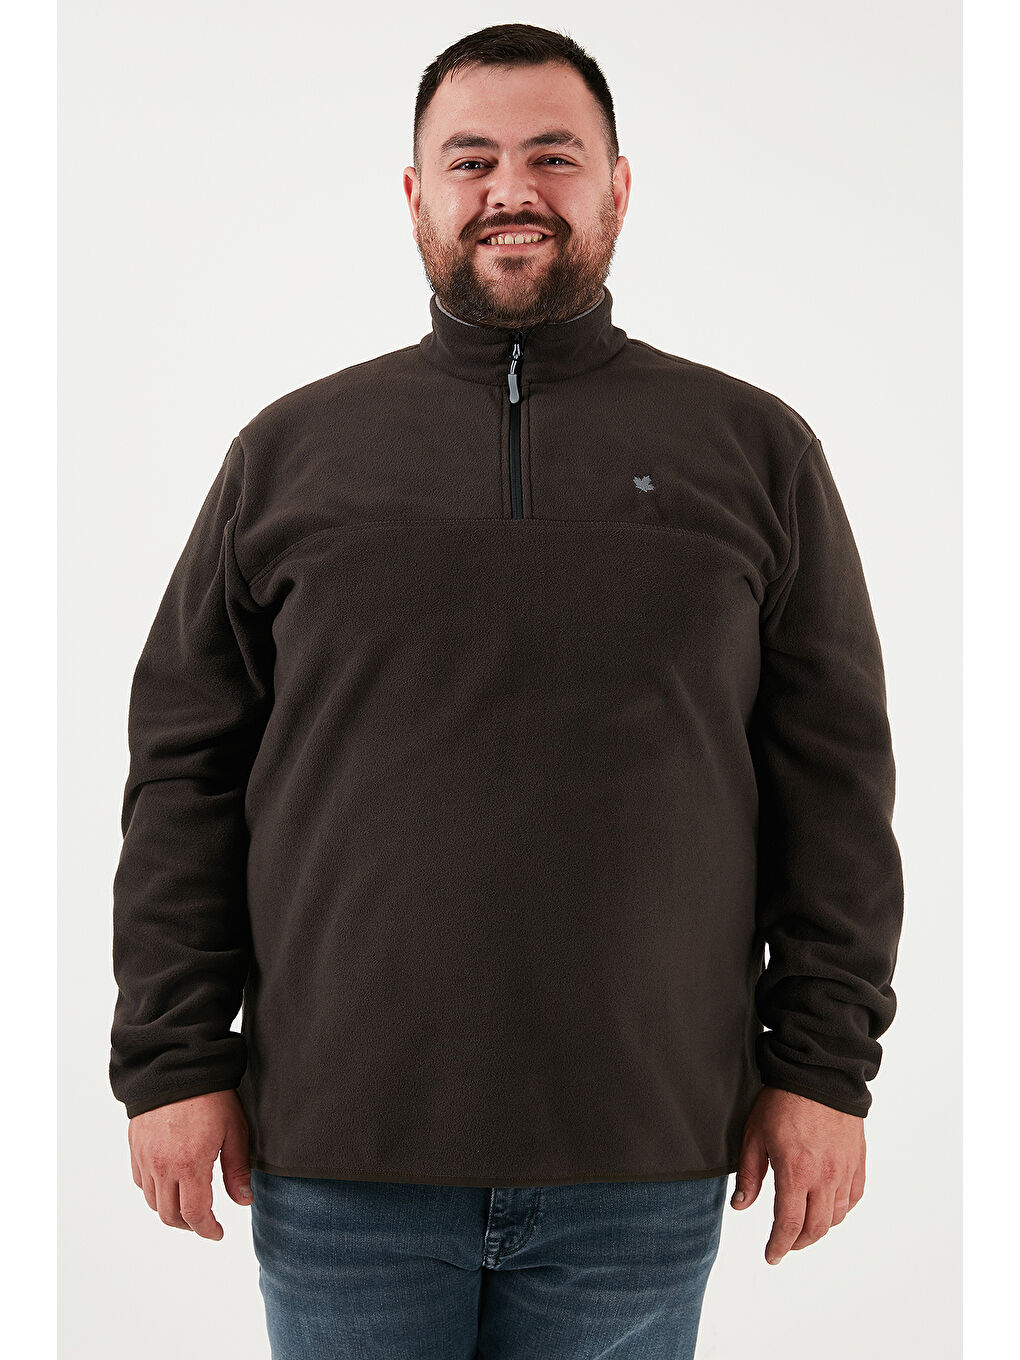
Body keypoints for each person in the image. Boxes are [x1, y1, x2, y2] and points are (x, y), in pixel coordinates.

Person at [109, 21, 905, 1359]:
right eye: (471, 160)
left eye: (554, 156)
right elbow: (186, 771)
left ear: (618, 185)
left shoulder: (754, 451)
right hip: (342, 1152)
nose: (512, 190)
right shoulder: (291, 454)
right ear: (415, 193)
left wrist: (823, 1068)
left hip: (641, 1157)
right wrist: (172, 1059)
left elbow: (835, 789)